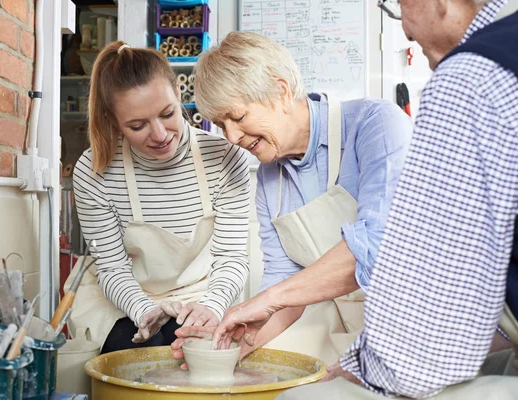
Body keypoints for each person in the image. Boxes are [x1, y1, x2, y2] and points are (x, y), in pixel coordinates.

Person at [249, 0, 518, 398]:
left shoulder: (470, 76)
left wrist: (358, 370)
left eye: (398, 4)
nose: (405, 30)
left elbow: (438, 316)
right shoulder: (268, 178)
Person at [172, 31, 414, 365]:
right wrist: (231, 345)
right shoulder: (271, 179)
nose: (232, 137)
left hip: (420, 324)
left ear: (281, 91)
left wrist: (268, 298)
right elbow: (284, 282)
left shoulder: (377, 126)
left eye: (238, 117)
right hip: (351, 331)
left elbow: (378, 245)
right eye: (220, 124)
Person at [69, 41, 251, 353]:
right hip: (126, 296)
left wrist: (212, 307)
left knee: (195, 354)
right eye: (137, 125)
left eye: (167, 114)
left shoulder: (225, 158)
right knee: (137, 352)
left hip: (202, 294)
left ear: (179, 95)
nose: (160, 134)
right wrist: (145, 312)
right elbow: (112, 268)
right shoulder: (94, 169)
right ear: (114, 122)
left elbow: (231, 258)